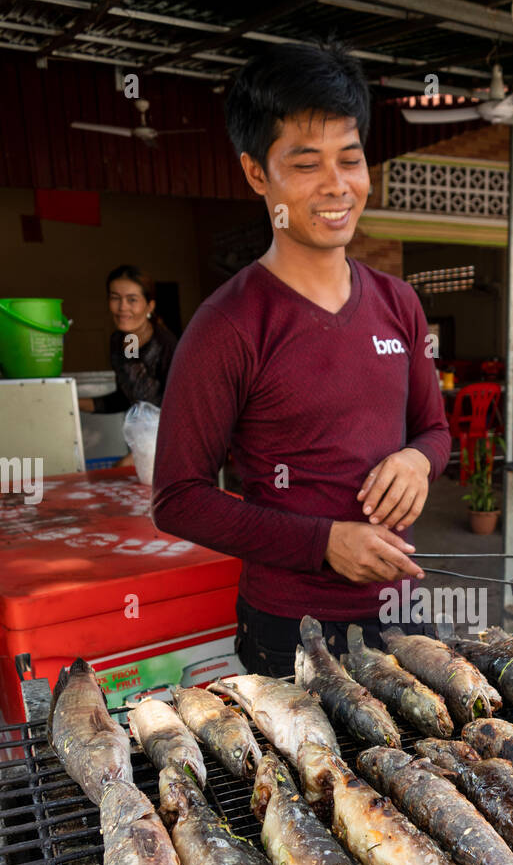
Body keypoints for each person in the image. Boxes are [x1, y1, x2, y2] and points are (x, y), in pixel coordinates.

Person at [151, 40, 450, 671]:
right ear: (258, 174)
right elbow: (178, 496)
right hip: (290, 626)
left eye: (351, 159)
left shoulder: (399, 303)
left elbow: (435, 429)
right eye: (307, 164)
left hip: (400, 607)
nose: (337, 186)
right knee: (316, 773)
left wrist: (418, 462)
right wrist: (324, 543)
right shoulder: (227, 324)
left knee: (426, 769)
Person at [79, 266, 177, 415]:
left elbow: (182, 403)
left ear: (150, 306)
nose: (122, 307)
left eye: (132, 299)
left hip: (168, 434)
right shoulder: (122, 340)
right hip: (139, 434)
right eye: (115, 297)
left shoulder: (165, 344)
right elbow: (126, 398)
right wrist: (74, 403)